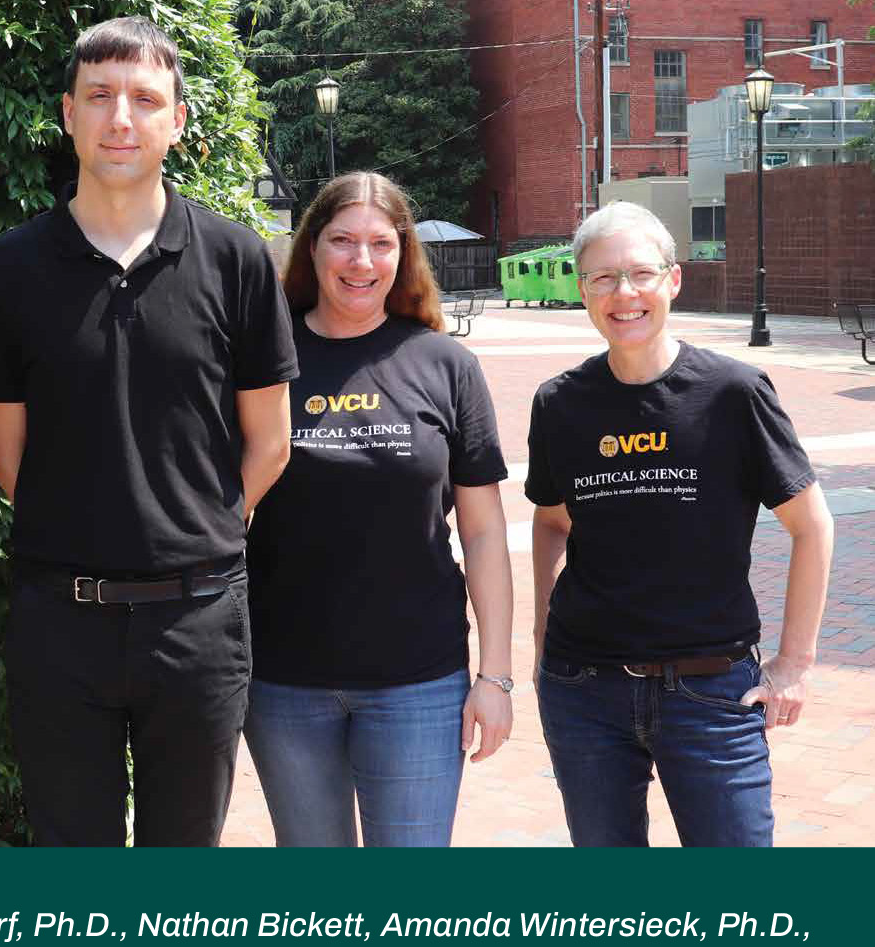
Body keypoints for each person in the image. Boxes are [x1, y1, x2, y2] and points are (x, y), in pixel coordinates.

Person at [0, 16, 296, 847]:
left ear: (177, 122)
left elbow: (270, 441)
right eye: (100, 96)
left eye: (145, 100)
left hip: (200, 622)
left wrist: (201, 525)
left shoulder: (236, 259)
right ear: (67, 114)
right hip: (57, 620)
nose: (121, 118)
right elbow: (8, 455)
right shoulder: (8, 269)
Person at [527, 201, 833, 847]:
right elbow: (551, 521)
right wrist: (539, 635)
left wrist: (795, 664)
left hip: (711, 693)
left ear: (672, 280)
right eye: (602, 278)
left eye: (639, 273)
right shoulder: (559, 404)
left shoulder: (733, 392)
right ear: (581, 289)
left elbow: (811, 525)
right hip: (583, 693)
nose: (623, 293)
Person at [244, 172, 514, 847]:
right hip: (282, 681)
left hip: (418, 683)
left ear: (402, 254)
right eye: (341, 242)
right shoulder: (261, 363)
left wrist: (495, 677)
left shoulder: (444, 365)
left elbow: (482, 533)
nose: (360, 262)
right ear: (311, 249)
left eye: (379, 243)